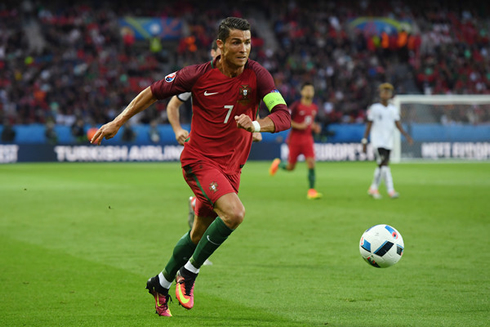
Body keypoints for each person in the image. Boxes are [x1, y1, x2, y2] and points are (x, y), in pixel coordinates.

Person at [90, 17, 291, 317]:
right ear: (220, 46)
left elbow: (283, 114)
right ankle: (189, 272)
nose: (244, 48)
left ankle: (160, 282)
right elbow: (154, 92)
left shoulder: (258, 75)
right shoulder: (196, 75)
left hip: (231, 167)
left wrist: (258, 123)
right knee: (235, 213)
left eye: (248, 42)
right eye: (236, 42)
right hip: (199, 160)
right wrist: (117, 121)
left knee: (198, 233)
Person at [166, 40, 262, 234]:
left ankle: (196, 209)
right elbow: (172, 105)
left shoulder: (244, 78)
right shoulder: (199, 78)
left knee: (221, 210)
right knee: (226, 208)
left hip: (231, 153)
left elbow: (250, 107)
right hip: (205, 149)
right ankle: (193, 259)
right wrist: (177, 129)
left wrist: (255, 127)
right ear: (214, 52)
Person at [269, 82, 322, 200]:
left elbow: (309, 122)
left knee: (311, 163)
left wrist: (314, 127)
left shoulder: (314, 107)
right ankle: (278, 164)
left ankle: (312, 191)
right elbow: (287, 120)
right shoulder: (296, 106)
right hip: (295, 140)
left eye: (311, 90)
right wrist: (299, 125)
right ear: (302, 92)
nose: (309, 92)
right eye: (307, 90)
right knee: (290, 167)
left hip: (308, 139)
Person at [362, 83, 413, 199]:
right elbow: (369, 125)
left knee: (382, 166)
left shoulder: (393, 110)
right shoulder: (374, 108)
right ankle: (390, 190)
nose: (386, 94)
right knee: (384, 165)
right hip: (378, 141)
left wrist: (406, 135)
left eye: (388, 92)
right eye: (384, 91)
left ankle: (373, 188)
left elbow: (397, 124)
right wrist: (364, 140)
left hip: (388, 141)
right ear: (380, 93)